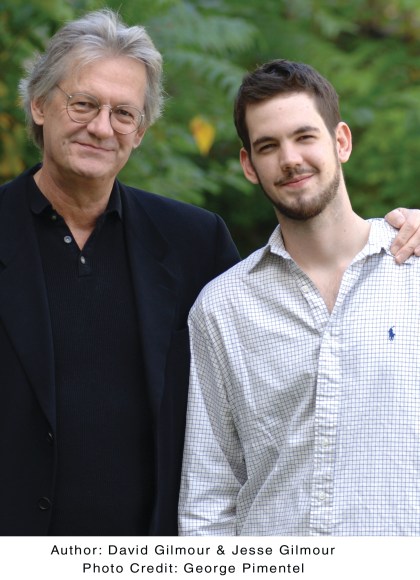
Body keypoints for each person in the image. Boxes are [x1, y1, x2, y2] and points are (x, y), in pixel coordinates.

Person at [0, 8, 241, 536]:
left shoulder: (195, 243)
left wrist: (387, 237)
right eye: (83, 103)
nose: (101, 127)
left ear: (141, 131)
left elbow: (282, 341)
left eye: (123, 113)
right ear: (39, 104)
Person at [178, 59, 420, 536]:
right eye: (268, 146)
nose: (289, 159)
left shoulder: (414, 273)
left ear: (341, 141)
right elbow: (209, 498)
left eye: (304, 136)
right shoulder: (222, 308)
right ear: (249, 165)